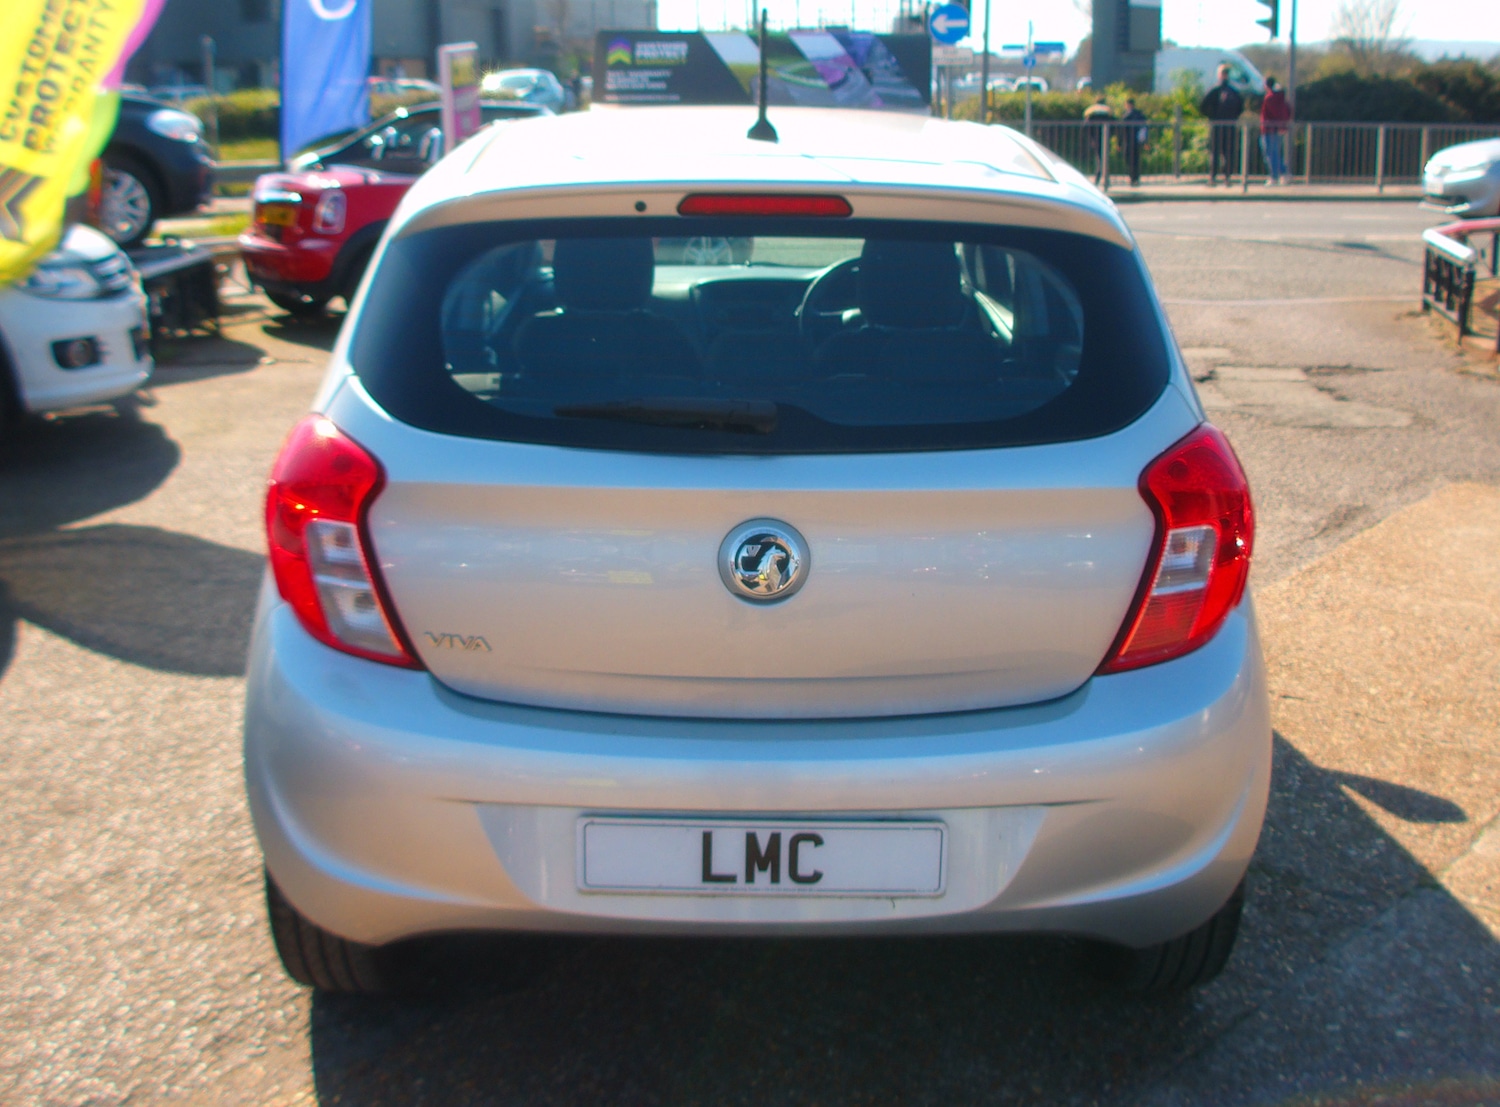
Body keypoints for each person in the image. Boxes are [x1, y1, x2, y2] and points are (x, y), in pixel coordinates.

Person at [1199, 64, 1244, 186]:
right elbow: (1240, 108)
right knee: (1227, 152)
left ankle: (1213, 177)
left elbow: (1202, 106)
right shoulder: (1233, 91)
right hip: (1229, 125)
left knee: (1215, 152)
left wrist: (1211, 117)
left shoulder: (1214, 90)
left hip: (1217, 125)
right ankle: (1226, 178)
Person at [1260, 76, 1291, 185]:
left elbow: (1271, 114)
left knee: (1270, 153)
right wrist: (1283, 126)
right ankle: (1284, 173)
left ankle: (1274, 176)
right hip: (1278, 129)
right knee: (1275, 153)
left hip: (1269, 129)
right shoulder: (1281, 98)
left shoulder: (1269, 98)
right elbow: (1287, 111)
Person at [1082, 95, 1115, 184]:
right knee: (1104, 158)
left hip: (1095, 138)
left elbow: (1085, 126)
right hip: (1105, 138)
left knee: (1099, 158)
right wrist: (1110, 135)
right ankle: (1104, 178)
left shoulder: (1091, 112)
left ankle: (1098, 177)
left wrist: (1090, 138)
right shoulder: (1107, 112)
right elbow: (1114, 124)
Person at [1120, 97, 1148, 187]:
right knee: (1136, 160)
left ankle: (1132, 177)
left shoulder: (1126, 116)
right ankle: (1135, 178)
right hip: (1137, 141)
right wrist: (1145, 141)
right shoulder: (1140, 114)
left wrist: (1119, 143)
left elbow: (1122, 130)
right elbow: (1144, 128)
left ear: (1128, 105)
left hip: (1128, 141)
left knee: (1128, 159)